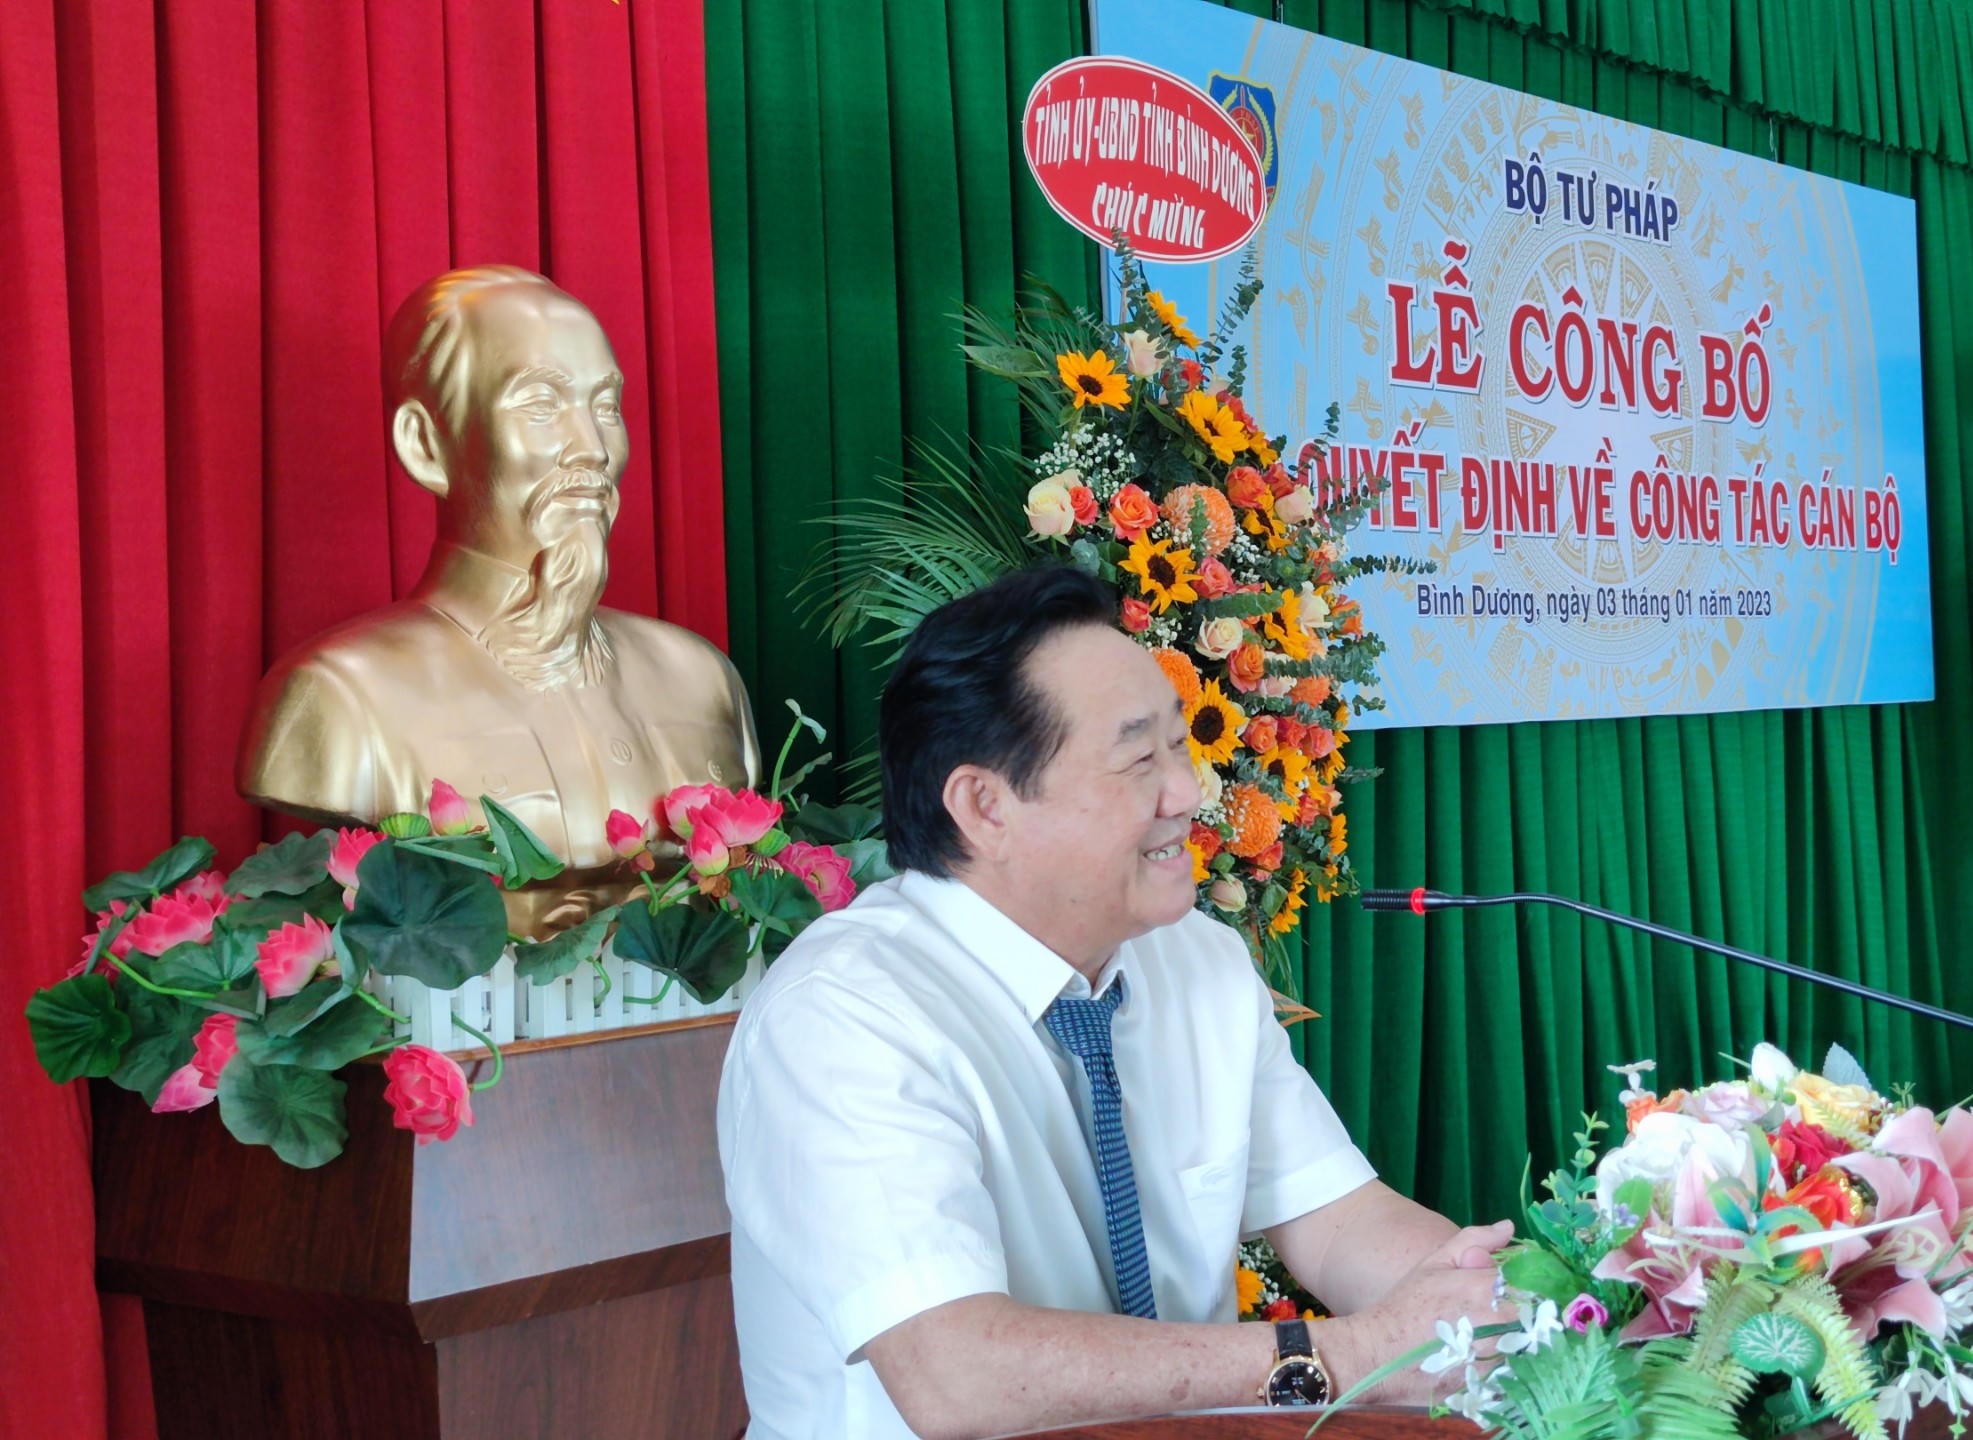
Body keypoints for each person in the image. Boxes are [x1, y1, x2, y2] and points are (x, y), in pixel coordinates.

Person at [717, 567, 1509, 1440]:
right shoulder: (843, 1015)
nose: (1188, 792)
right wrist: (1351, 1355)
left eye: (1179, 744)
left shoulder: (1197, 958)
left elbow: (1338, 1221)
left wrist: (1521, 1306)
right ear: (985, 806)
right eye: (1139, 760)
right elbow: (957, 1376)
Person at [234, 266, 757, 937]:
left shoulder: (701, 678)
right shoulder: (340, 697)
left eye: (605, 407)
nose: (594, 450)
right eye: (541, 404)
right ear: (426, 446)